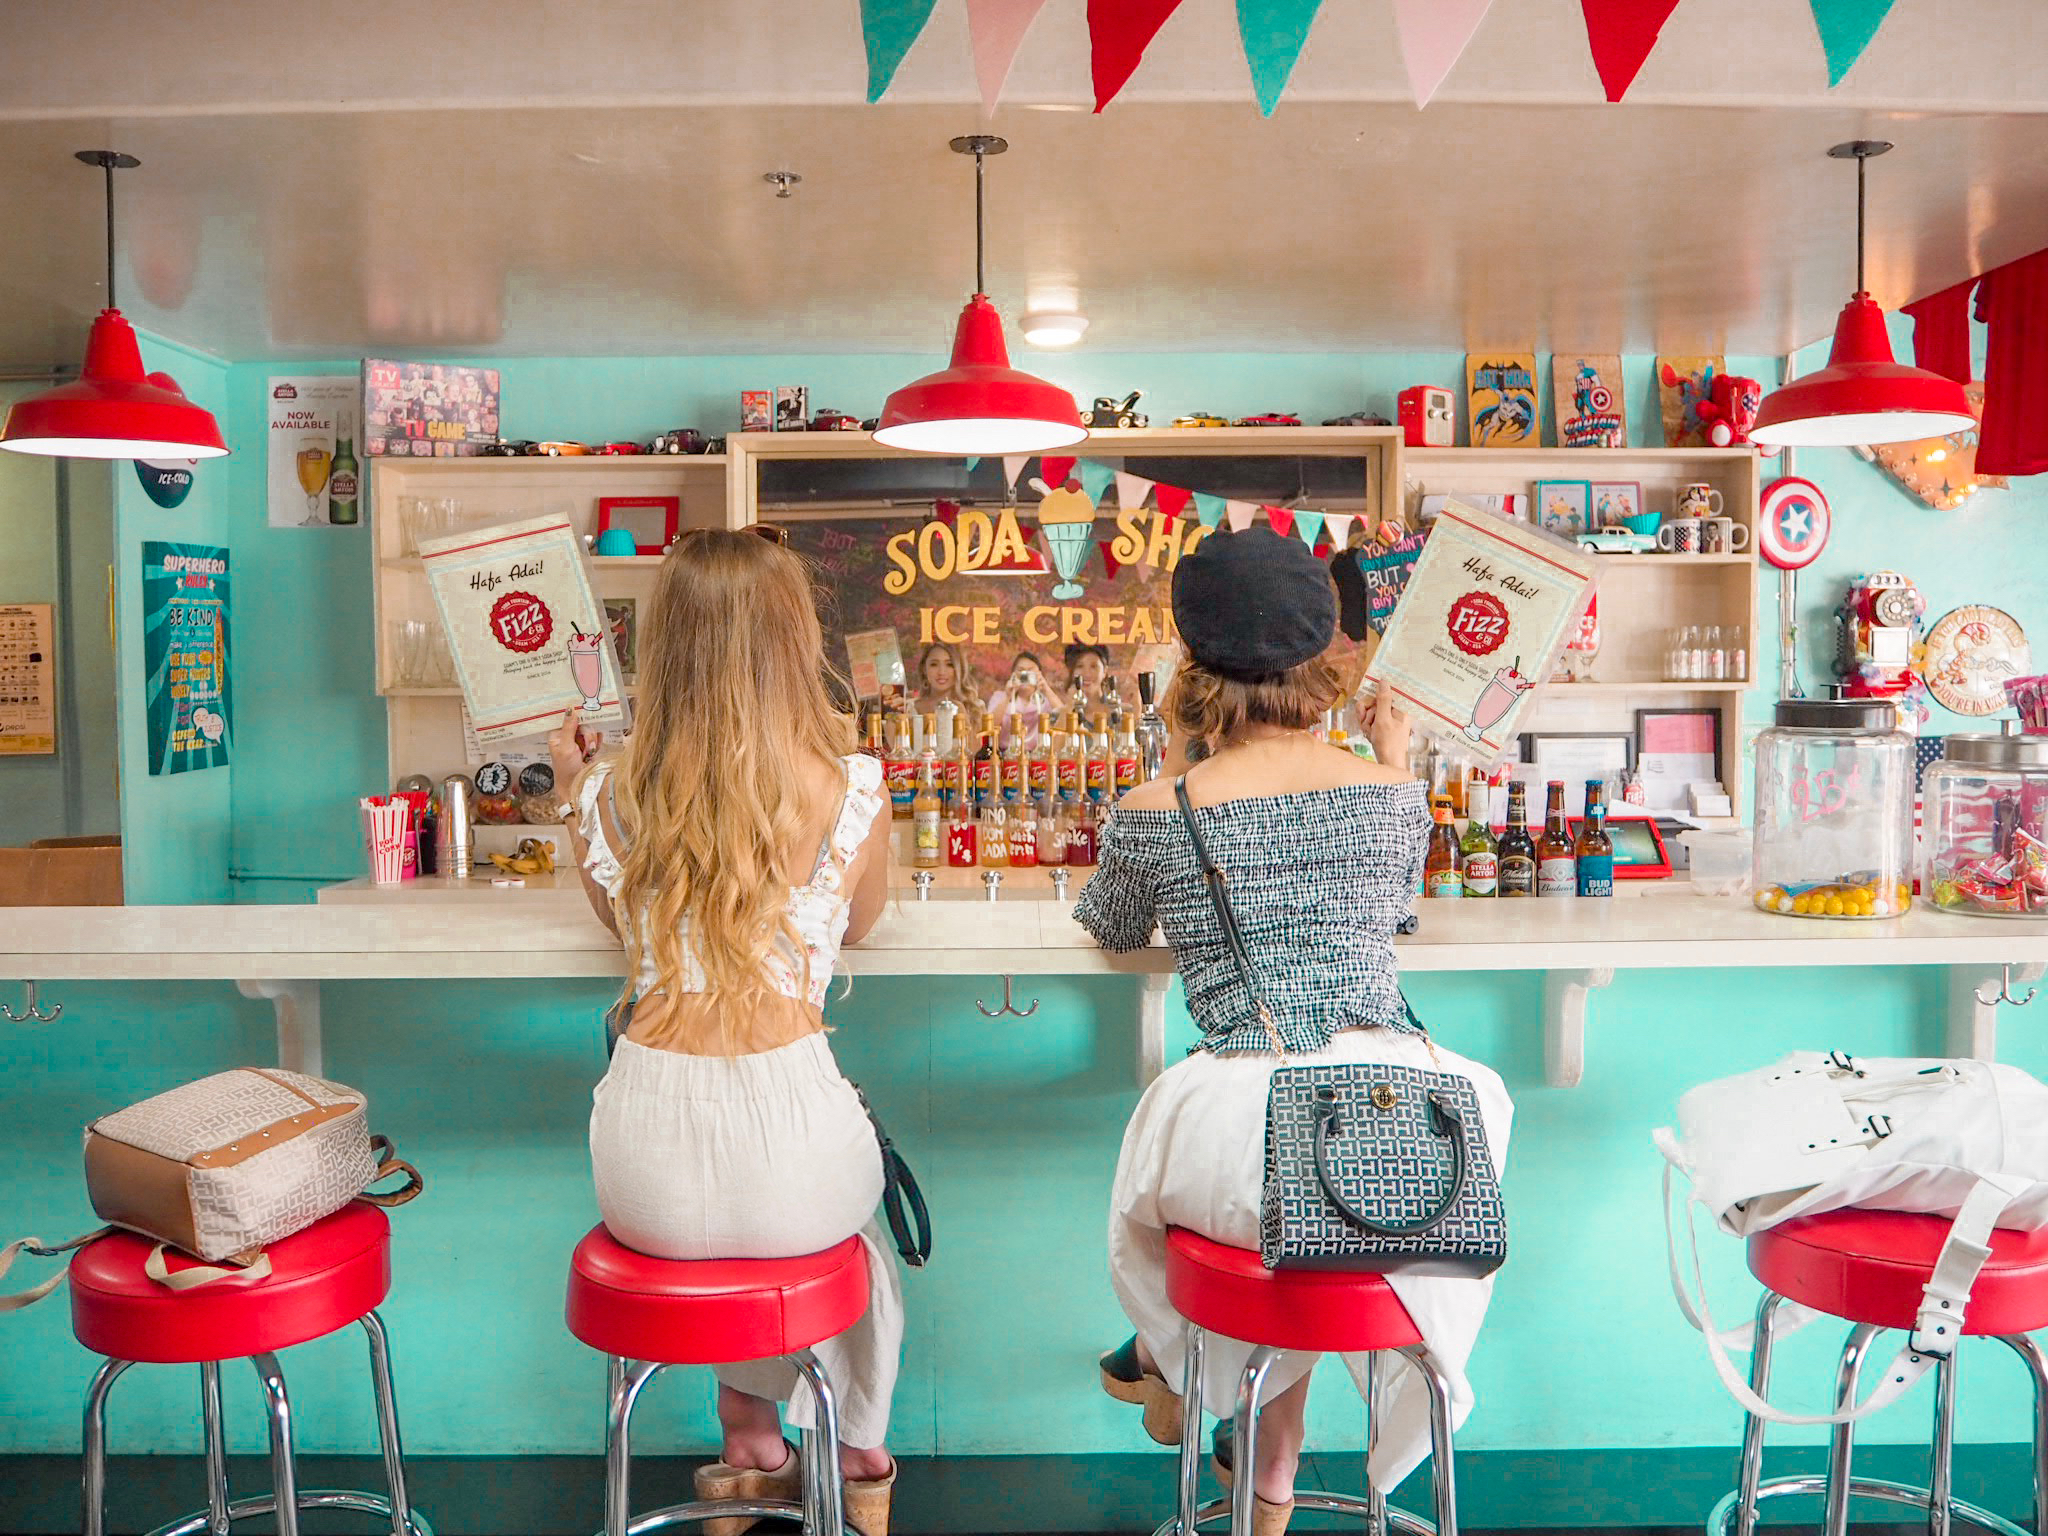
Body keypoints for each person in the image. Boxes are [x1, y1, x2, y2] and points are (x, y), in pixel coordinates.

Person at [1072, 525, 1512, 1535]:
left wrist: (1170, 773)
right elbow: (1393, 918)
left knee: (1268, 1191)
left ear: (1190, 667)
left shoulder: (1162, 805)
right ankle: (1260, 1455)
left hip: (1244, 1111)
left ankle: (1181, 1371)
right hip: (1412, 1124)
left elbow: (1111, 925)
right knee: (1315, 1202)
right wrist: (1393, 761)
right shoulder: (1390, 795)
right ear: (1325, 658)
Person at [550, 529, 902, 1536]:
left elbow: (615, 921)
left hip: (641, 1166)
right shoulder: (852, 787)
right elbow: (860, 924)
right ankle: (856, 1453)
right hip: (792, 1126)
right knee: (852, 1243)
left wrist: (569, 782)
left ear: (662, 645)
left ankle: (748, 1442)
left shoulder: (607, 792)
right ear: (795, 640)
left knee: (764, 1220)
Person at [985, 648, 1052, 743]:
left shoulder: (1044, 701)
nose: (1025, 675)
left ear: (1039, 674)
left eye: (1030, 671)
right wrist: (1007, 696)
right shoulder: (999, 697)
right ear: (1013, 674)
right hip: (1005, 750)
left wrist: (1047, 689)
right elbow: (989, 728)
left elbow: (1064, 721)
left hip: (1038, 751)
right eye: (1021, 670)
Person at [911, 640, 976, 721]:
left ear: (959, 669)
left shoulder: (975, 708)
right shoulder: (910, 708)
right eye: (934, 664)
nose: (941, 672)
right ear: (924, 669)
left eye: (949, 664)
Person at [1064, 641, 1111, 707]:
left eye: (1093, 667)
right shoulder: (1059, 711)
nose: (1087, 674)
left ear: (1105, 671)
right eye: (1079, 666)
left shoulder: (1119, 710)